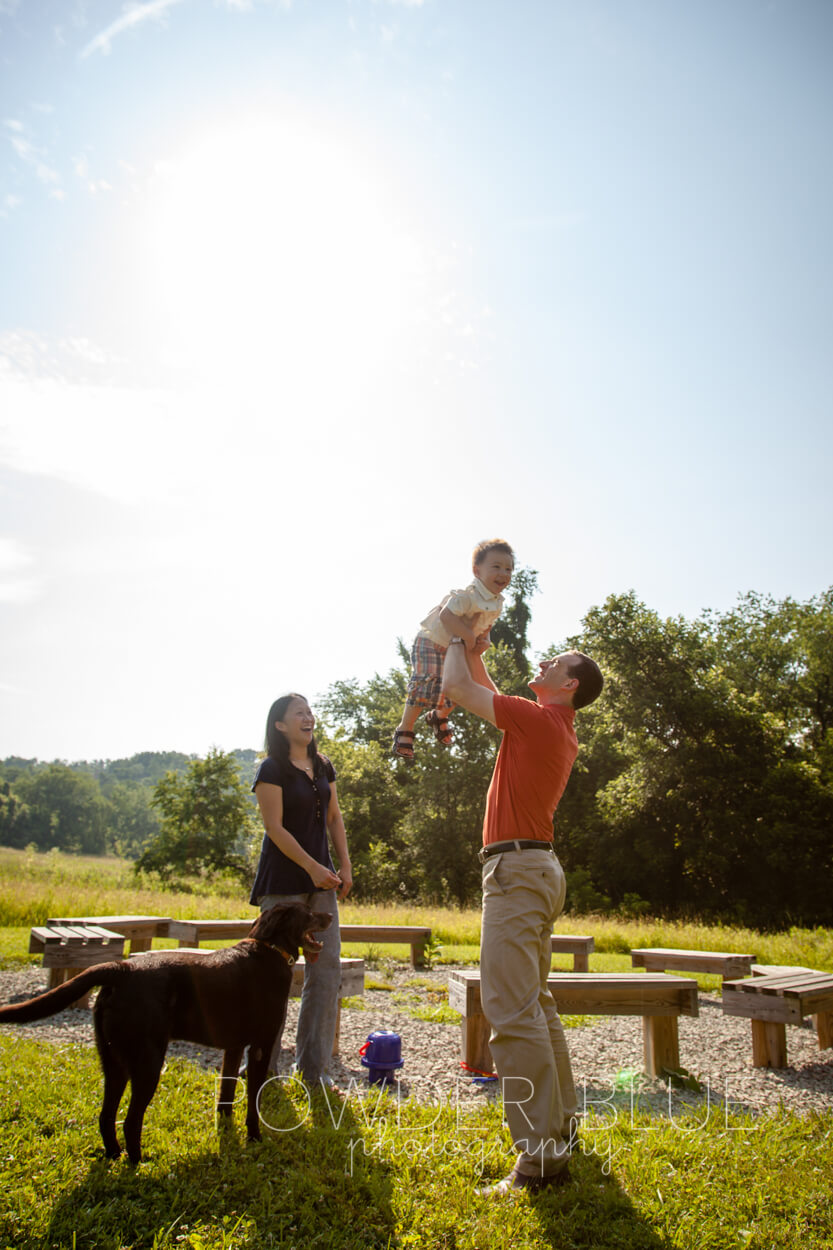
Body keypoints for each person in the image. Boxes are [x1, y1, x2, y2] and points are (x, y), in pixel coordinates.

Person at [441, 642, 603, 1196]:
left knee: (510, 1010)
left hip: (517, 872)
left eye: (557, 662)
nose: (546, 661)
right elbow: (484, 693)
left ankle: (539, 1161)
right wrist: (477, 649)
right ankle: (558, 1130)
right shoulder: (545, 722)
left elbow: (461, 691)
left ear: (570, 683)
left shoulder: (539, 721)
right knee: (535, 1003)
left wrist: (456, 635)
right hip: (534, 868)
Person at [250, 692, 352, 1088]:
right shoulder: (270, 769)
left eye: (310, 712)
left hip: (322, 883)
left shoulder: (323, 765)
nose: (308, 718)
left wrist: (343, 865)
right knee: (271, 975)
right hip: (283, 884)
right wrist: (312, 868)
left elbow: (334, 817)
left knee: (325, 973)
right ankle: (261, 1065)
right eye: (299, 713)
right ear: (280, 725)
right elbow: (274, 828)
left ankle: (313, 1070)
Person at [392, 538, 515, 761]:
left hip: (455, 649)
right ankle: (405, 728)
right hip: (432, 641)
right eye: (496, 567)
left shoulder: (497, 602)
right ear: (477, 570)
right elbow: (446, 616)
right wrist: (468, 636)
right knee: (424, 683)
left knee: (459, 689)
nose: (503, 573)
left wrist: (484, 639)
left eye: (508, 569)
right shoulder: (466, 596)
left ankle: (438, 717)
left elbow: (486, 624)